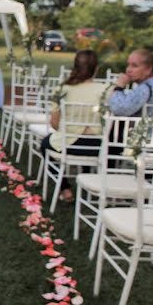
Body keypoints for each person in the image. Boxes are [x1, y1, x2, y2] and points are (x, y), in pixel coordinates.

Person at [38, 50, 109, 204]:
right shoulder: (107, 90)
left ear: (74, 66)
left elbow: (54, 123)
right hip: (99, 147)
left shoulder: (62, 89)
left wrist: (69, 131)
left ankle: (65, 188)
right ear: (96, 68)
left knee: (45, 145)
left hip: (69, 145)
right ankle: (96, 186)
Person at [107, 49, 153, 116]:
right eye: (128, 65)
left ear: (148, 69)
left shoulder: (146, 88)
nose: (128, 70)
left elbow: (119, 109)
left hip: (152, 129)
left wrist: (119, 86)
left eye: (134, 66)